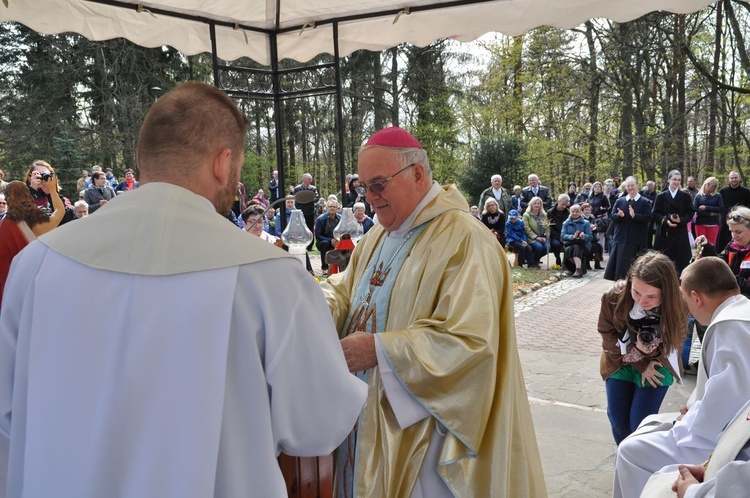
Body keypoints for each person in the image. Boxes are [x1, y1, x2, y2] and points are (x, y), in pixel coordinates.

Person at [0, 81, 367, 497]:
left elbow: (8, 417)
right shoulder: (271, 277)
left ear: (144, 160)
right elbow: (317, 426)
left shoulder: (36, 265)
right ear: (223, 163)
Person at [321, 126, 545, 497]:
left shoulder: (465, 240)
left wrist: (379, 350)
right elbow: (346, 289)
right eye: (363, 188)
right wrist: (314, 305)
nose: (370, 198)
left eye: (378, 184)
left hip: (424, 440)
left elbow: (472, 342)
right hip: (363, 417)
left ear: (418, 174)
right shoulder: (377, 234)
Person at [613, 257, 750, 498]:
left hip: (729, 440)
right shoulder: (741, 310)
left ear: (696, 297)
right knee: (646, 426)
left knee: (629, 450)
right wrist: (691, 406)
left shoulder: (728, 326)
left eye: (686, 298)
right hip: (730, 427)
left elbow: (725, 403)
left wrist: (686, 423)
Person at [598, 252, 687, 446]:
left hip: (659, 363)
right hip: (619, 361)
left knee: (640, 424)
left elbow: (675, 341)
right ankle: (626, 461)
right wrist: (639, 360)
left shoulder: (679, 303)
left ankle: (639, 462)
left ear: (668, 291)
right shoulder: (613, 296)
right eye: (636, 292)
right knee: (618, 422)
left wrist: (649, 351)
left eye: (652, 296)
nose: (642, 301)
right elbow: (607, 334)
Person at [0, 180, 65, 309]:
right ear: (28, 195)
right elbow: (59, 212)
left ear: (8, 199)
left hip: (7, 281)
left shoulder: (4, 224)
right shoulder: (38, 220)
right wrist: (52, 190)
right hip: (33, 277)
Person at [695, 205, 750, 298]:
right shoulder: (733, 246)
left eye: (738, 232)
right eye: (731, 231)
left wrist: (727, 277)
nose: (734, 236)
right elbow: (720, 264)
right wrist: (707, 247)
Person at [604, 176, 653, 281]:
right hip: (621, 239)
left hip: (637, 240)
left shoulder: (645, 202)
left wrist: (635, 216)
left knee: (636, 271)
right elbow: (612, 216)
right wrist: (619, 215)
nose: (630, 188)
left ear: (637, 186)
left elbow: (649, 218)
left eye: (632, 185)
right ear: (625, 187)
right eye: (628, 186)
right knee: (620, 272)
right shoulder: (620, 201)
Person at [652, 169, 694, 275]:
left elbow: (690, 213)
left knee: (681, 262)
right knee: (663, 261)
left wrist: (680, 219)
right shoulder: (660, 196)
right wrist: (666, 221)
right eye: (674, 179)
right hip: (664, 233)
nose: (676, 182)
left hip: (680, 233)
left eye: (679, 180)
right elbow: (655, 213)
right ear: (668, 180)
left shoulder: (685, 196)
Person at [25, 160, 75, 224]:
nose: (43, 178)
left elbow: (68, 219)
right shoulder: (23, 199)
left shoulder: (61, 199)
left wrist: (51, 193)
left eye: (46, 175)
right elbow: (20, 216)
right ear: (30, 178)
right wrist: (32, 190)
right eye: (39, 174)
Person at [716, 171, 750, 251]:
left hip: (741, 220)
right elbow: (720, 205)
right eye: (732, 178)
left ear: (739, 179)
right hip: (725, 220)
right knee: (723, 242)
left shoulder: (746, 191)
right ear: (729, 179)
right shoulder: (723, 191)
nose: (734, 180)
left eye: (735, 178)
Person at [561, 203, 592, 277]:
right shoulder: (565, 223)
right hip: (570, 243)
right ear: (570, 212)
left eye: (577, 211)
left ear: (581, 212)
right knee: (571, 248)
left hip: (583, 244)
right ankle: (579, 268)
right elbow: (563, 235)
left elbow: (590, 237)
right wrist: (572, 236)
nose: (575, 213)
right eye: (573, 211)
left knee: (577, 247)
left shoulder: (586, 223)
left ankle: (578, 270)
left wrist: (583, 236)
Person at [692, 177, 723, 247]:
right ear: (705, 184)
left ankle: (710, 258)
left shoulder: (718, 196)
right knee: (700, 245)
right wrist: (709, 213)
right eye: (708, 184)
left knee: (711, 245)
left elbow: (720, 209)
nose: (710, 187)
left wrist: (706, 207)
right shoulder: (698, 196)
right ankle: (700, 258)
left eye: (713, 185)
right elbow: (695, 209)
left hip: (713, 224)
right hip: (700, 223)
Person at [315, 199, 341, 273]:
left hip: (337, 240)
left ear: (337, 208)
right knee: (324, 243)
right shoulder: (320, 219)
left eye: (334, 207)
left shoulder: (340, 218)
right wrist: (331, 240)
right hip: (323, 241)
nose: (332, 208)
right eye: (330, 206)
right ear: (327, 208)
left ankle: (342, 267)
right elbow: (318, 235)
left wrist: (337, 240)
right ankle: (325, 268)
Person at [523, 195, 549, 267]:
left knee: (548, 247)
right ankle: (534, 262)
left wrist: (545, 237)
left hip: (542, 237)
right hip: (531, 237)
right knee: (539, 247)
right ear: (531, 204)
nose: (537, 205)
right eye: (535, 203)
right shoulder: (527, 215)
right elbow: (527, 228)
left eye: (538, 203)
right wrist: (536, 237)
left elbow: (547, 228)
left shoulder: (544, 215)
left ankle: (535, 260)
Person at [548, 194, 570, 267]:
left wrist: (564, 236)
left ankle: (566, 262)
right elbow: (549, 227)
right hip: (554, 235)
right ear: (558, 201)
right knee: (556, 244)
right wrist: (559, 237)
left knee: (568, 245)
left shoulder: (568, 213)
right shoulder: (550, 212)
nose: (564, 206)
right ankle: (558, 258)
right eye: (562, 204)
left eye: (566, 205)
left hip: (565, 235)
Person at [581, 202, 604, 269]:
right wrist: (589, 228)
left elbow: (595, 227)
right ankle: (587, 263)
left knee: (598, 247)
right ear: (582, 211)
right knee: (589, 247)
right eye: (586, 210)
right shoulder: (581, 218)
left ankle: (597, 264)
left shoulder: (592, 217)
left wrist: (595, 228)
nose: (588, 211)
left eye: (589, 210)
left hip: (593, 237)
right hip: (584, 238)